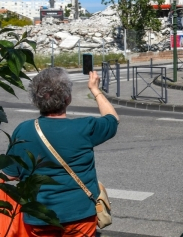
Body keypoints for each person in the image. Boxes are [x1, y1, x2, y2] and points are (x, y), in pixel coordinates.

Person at [3, 67, 119, 235]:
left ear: (36, 100)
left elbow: (10, 174)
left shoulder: (23, 130)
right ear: (68, 98)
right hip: (80, 214)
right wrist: (95, 89)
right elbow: (113, 119)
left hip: (40, 216)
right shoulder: (84, 128)